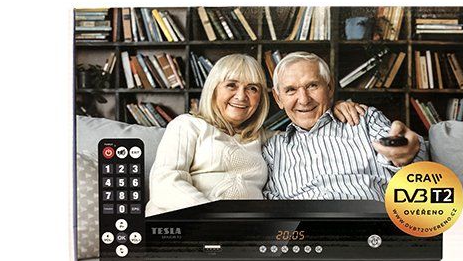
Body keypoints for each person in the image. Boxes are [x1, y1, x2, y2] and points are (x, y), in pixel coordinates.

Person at [147, 53, 368, 215]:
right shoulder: (187, 126)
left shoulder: (265, 138)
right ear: (214, 89)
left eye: (252, 88)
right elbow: (165, 182)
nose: (241, 96)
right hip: (188, 224)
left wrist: (334, 107)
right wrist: (213, 220)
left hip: (243, 235)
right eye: (231, 85)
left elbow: (307, 131)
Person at [262, 51, 426, 200]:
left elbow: (409, 159)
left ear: (330, 87)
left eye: (312, 85)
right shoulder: (272, 150)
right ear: (278, 98)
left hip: (367, 218)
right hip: (304, 222)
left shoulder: (364, 119)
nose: (304, 100)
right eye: (291, 90)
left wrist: (406, 151)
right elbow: (271, 204)